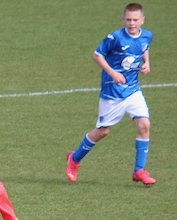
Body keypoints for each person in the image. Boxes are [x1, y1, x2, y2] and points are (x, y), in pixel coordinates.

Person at [66, 3, 155, 185]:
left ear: (142, 20)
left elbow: (144, 47)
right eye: (128, 20)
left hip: (133, 90)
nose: (132, 23)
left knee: (144, 124)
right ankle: (74, 159)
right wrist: (113, 73)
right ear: (123, 20)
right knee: (103, 131)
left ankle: (139, 170)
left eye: (135, 20)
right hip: (112, 92)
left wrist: (147, 62)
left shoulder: (147, 35)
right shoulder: (115, 38)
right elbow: (97, 55)